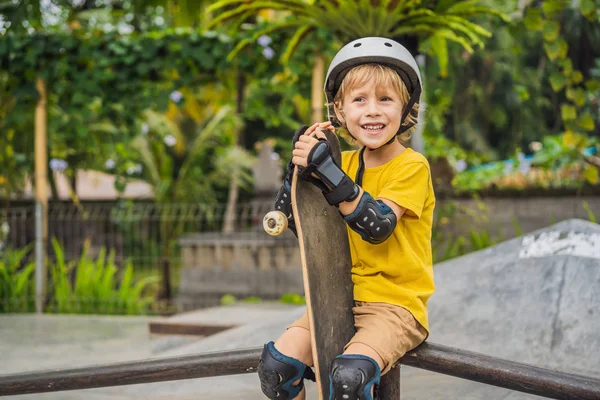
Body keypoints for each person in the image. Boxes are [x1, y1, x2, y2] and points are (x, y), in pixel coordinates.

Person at [258, 37, 436, 400]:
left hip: (394, 307)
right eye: (359, 100)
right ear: (338, 110)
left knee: (348, 379)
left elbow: (378, 226)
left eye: (385, 99)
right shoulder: (344, 164)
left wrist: (327, 172)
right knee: (276, 370)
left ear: (407, 108)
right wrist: (299, 170)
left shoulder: (411, 166)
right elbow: (297, 223)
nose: (372, 111)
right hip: (335, 299)